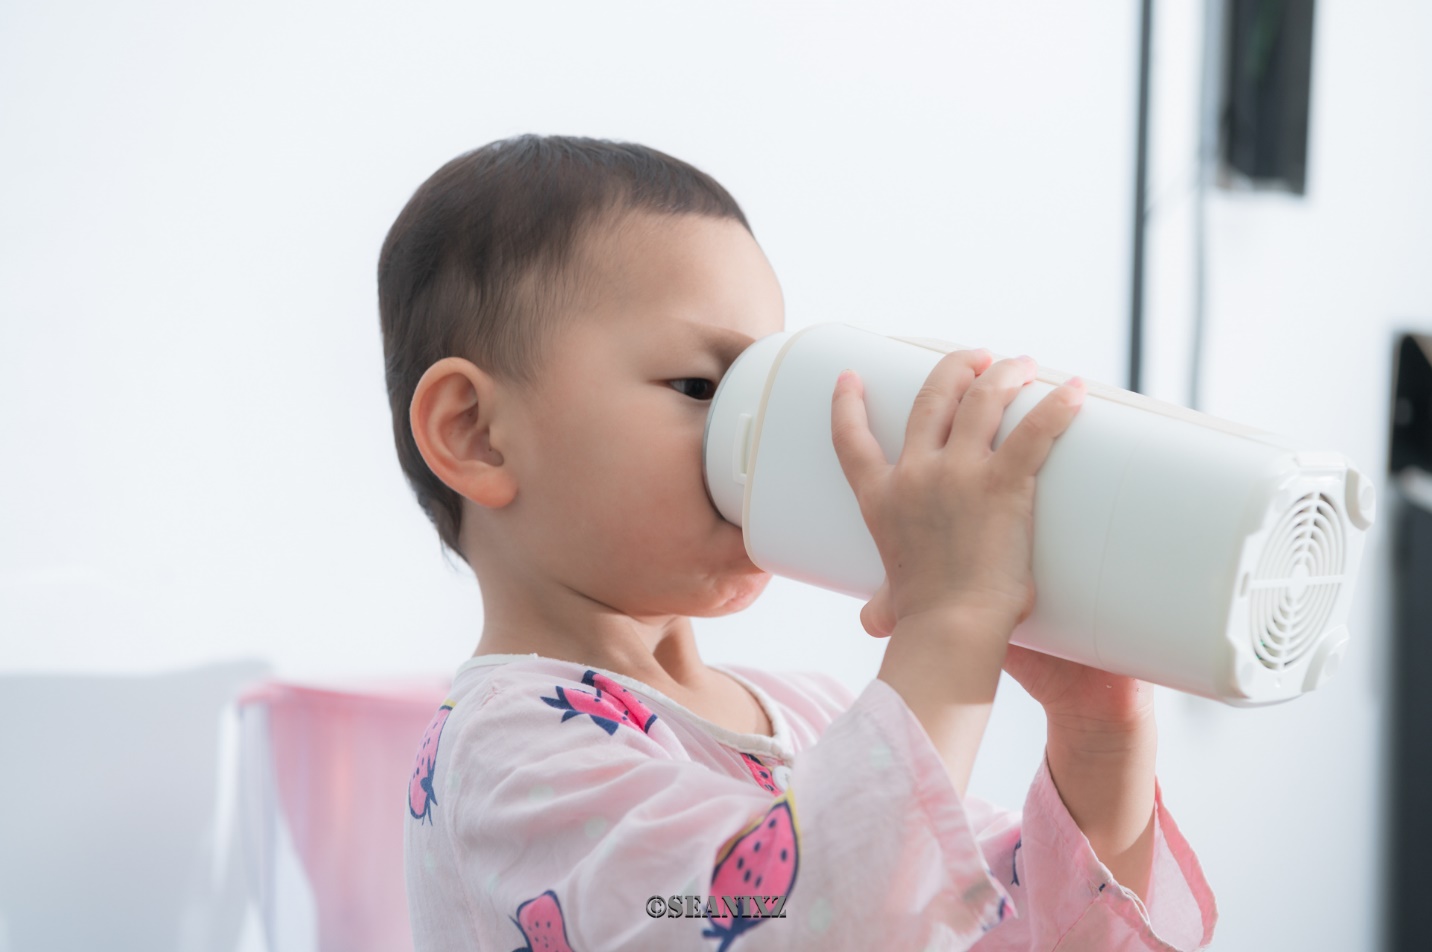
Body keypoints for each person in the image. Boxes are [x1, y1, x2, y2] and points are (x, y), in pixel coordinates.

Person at [381, 134, 1217, 951]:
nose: (764, 435)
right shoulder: (508, 754)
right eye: (702, 387)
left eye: (768, 387)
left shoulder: (815, 717)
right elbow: (781, 920)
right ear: (476, 433)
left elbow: (1016, 927)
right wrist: (949, 619)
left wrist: (1098, 733)